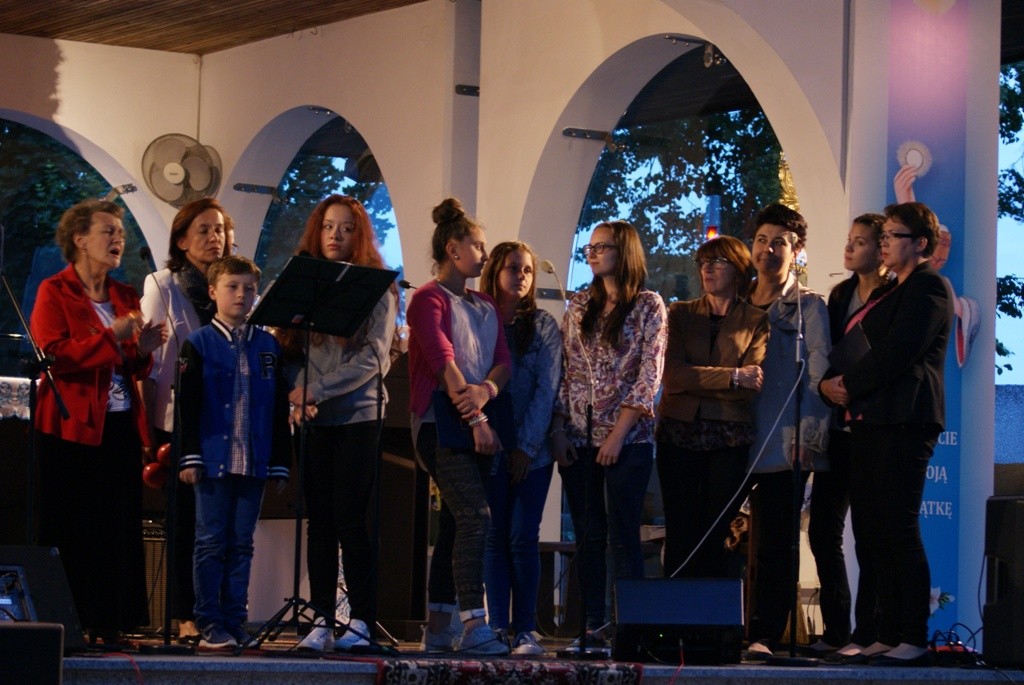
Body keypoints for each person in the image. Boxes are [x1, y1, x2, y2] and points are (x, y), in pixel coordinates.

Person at [31, 199, 168, 646]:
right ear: (80, 239)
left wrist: (143, 350)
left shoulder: (125, 295)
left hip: (119, 426)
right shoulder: (55, 291)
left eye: (120, 233)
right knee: (73, 527)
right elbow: (55, 354)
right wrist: (114, 336)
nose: (118, 240)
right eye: (108, 231)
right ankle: (68, 623)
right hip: (69, 428)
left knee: (116, 527)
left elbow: (133, 366)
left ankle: (110, 623)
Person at [819, 202, 952, 666]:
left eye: (895, 235)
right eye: (886, 234)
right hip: (870, 421)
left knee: (898, 527)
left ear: (920, 243)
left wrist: (846, 385)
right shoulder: (891, 290)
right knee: (872, 531)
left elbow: (897, 352)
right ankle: (886, 631)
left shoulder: (929, 286)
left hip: (906, 420)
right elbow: (860, 346)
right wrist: (829, 384)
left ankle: (913, 634)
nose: (886, 242)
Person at [281, 196, 398, 652]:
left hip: (358, 415)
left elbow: (374, 358)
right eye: (329, 226)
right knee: (320, 521)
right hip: (313, 416)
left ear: (359, 235)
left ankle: (361, 621)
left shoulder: (376, 289)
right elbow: (290, 349)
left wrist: (318, 390)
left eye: (346, 228)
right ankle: (322, 621)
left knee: (351, 518)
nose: (336, 235)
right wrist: (300, 392)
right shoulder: (304, 282)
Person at [549, 220, 666, 648]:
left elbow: (649, 375)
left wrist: (617, 435)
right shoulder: (580, 304)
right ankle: (591, 626)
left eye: (602, 247)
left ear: (625, 251)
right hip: (579, 437)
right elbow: (566, 371)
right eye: (591, 247)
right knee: (588, 535)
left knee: (623, 534)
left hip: (629, 439)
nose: (593, 253)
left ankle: (630, 628)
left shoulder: (649, 305)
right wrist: (558, 428)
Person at [406, 197, 512, 655]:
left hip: (478, 413)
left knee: (455, 522)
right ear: (453, 250)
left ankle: (438, 627)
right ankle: (474, 624)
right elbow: (443, 363)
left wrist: (486, 391)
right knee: (475, 516)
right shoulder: (427, 299)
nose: (485, 255)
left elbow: (503, 361)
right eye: (479, 246)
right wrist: (477, 419)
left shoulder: (485, 303)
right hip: (439, 421)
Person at [177, 255, 291, 649]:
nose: (241, 294)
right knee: (211, 541)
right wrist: (190, 455)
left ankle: (234, 618)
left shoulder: (268, 346)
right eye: (232, 286)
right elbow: (188, 406)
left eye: (249, 288)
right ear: (213, 292)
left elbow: (277, 406)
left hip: (253, 461)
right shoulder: (198, 344)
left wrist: (280, 460)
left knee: (242, 542)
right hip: (212, 461)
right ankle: (209, 620)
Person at [140, 197, 232, 644]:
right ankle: (183, 613)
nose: (215, 238)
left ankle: (218, 610)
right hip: (177, 416)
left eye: (221, 230)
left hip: (225, 418)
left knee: (219, 522)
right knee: (184, 520)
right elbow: (153, 360)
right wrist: (146, 429)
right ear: (181, 240)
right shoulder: (164, 285)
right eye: (204, 230)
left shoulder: (233, 286)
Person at [744, 203, 831, 659]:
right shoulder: (736, 300)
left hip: (783, 442)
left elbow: (819, 375)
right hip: (734, 437)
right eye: (761, 240)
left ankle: (765, 633)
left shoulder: (809, 306)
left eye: (779, 242)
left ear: (796, 251)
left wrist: (808, 436)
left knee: (776, 544)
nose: (768, 249)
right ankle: (718, 626)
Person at [656, 235, 768, 581]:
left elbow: (751, 387)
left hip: (729, 437)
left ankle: (715, 614)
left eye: (718, 262)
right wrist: (732, 376)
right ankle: (675, 611)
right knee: (681, 529)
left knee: (719, 534)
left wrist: (698, 381)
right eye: (703, 262)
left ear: (738, 271)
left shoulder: (756, 320)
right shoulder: (681, 312)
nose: (707, 268)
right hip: (678, 433)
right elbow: (672, 377)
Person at [807, 213, 888, 656]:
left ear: (881, 249)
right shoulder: (840, 295)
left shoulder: (895, 294)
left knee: (870, 534)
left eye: (861, 241)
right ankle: (836, 629)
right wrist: (826, 386)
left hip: (873, 426)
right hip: (838, 425)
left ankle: (867, 632)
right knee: (823, 529)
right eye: (849, 240)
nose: (850, 248)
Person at [479, 241, 561, 655]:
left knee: (523, 537)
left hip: (534, 450)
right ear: (495, 271)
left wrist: (526, 447)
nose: (522, 276)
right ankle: (496, 626)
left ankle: (525, 629)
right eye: (513, 268)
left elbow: (547, 388)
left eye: (527, 270)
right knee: (494, 536)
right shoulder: (482, 319)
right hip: (489, 444)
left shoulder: (543, 324)